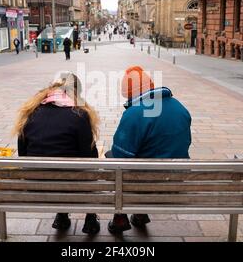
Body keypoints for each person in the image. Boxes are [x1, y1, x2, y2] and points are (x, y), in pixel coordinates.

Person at [106, 66, 192, 234]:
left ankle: (120, 217)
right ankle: (139, 215)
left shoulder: (135, 113)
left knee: (113, 160)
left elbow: (120, 156)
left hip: (146, 183)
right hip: (177, 179)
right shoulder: (180, 108)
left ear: (131, 93)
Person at [13, 72, 101, 235]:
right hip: (71, 186)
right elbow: (89, 158)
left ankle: (61, 215)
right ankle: (90, 216)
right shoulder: (80, 115)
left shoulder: (31, 112)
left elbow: (23, 153)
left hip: (36, 185)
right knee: (90, 170)